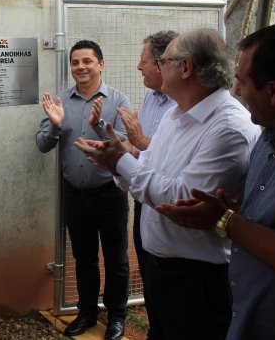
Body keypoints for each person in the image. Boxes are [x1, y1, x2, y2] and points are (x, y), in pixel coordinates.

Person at [75, 29, 261, 340]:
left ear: (186, 68)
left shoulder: (228, 127)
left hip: (198, 280)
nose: (154, 67)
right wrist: (119, 161)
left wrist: (120, 161)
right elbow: (145, 170)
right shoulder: (177, 114)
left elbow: (181, 201)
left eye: (163, 61)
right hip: (164, 271)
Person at [156, 25, 275, 340]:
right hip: (249, 314)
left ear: (273, 91)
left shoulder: (230, 126)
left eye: (241, 82)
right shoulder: (268, 140)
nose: (237, 91)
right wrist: (231, 209)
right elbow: (263, 215)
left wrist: (225, 219)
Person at [36, 40, 131, 340]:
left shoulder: (119, 100)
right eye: (75, 62)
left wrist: (100, 125)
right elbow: (42, 145)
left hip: (110, 194)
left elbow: (127, 147)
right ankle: (88, 312)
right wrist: (55, 126)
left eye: (87, 61)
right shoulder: (61, 101)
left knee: (116, 259)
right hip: (76, 196)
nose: (80, 67)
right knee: (84, 258)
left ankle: (117, 315)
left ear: (101, 64)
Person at [117, 31, 178, 339]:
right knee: (148, 266)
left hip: (171, 202)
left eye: (143, 62)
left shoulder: (182, 105)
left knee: (170, 281)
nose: (138, 68)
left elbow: (172, 155)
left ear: (160, 63)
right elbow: (142, 149)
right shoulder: (152, 98)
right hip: (144, 196)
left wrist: (137, 144)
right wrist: (123, 147)